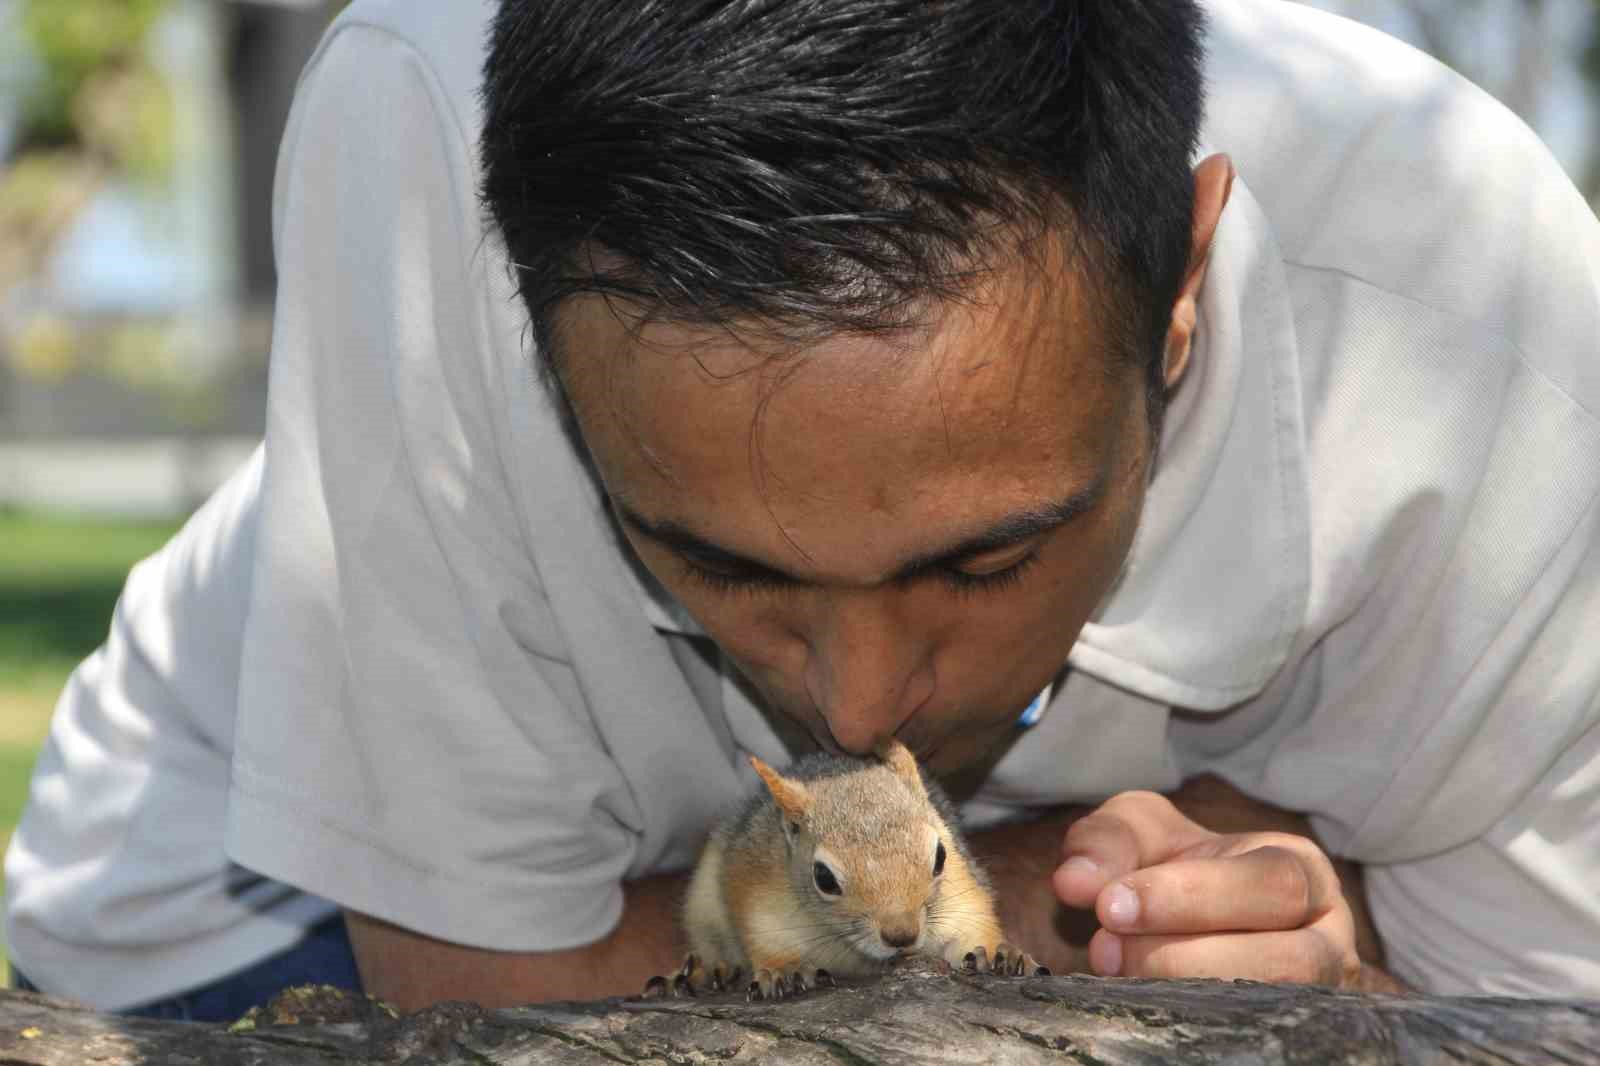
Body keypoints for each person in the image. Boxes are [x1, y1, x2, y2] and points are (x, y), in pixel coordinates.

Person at [7, 0, 1599, 1020]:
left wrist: (1349, 988)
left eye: (985, 556)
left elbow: (1523, 1018)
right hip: (241, 932)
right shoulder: (422, 153)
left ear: (1180, 290)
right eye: (710, 555)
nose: (852, 703)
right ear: (535, 336)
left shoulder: (1478, 337)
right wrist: (1053, 901)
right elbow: (475, 1003)